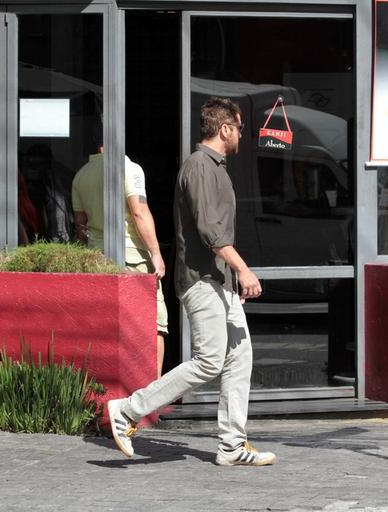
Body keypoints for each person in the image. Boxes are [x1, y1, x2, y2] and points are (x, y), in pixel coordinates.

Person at [106, 97, 277, 466]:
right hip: (201, 280)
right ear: (225, 129)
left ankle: (232, 444)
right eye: (239, 128)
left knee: (239, 356)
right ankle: (128, 410)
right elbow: (209, 231)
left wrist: (232, 277)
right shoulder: (200, 166)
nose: (242, 135)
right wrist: (243, 269)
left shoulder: (217, 167)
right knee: (209, 360)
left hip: (220, 280)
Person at [72, 136, 168, 377]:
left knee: (106, 327)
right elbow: (139, 211)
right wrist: (156, 253)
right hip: (133, 256)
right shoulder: (130, 168)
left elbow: (80, 225)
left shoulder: (81, 175)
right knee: (154, 324)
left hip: (97, 259)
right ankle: (151, 395)